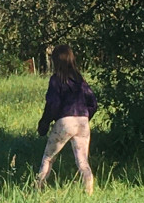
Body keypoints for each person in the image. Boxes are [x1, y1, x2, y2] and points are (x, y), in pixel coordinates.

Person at [35, 44, 97, 194]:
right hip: (83, 121)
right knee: (82, 162)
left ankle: (37, 188)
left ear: (56, 61)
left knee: (48, 158)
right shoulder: (80, 80)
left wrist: (45, 122)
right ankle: (89, 192)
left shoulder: (56, 80)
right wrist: (85, 116)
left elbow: (53, 104)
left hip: (65, 121)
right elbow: (93, 103)